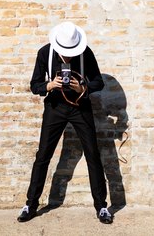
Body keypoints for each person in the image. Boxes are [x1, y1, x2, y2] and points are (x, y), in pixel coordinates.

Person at [17, 21, 113, 224]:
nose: (68, 54)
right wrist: (50, 85)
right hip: (54, 108)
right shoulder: (44, 53)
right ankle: (30, 204)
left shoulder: (85, 52)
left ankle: (102, 207)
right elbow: (34, 85)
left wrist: (83, 87)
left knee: (93, 155)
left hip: (80, 107)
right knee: (43, 155)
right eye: (65, 51)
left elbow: (98, 82)